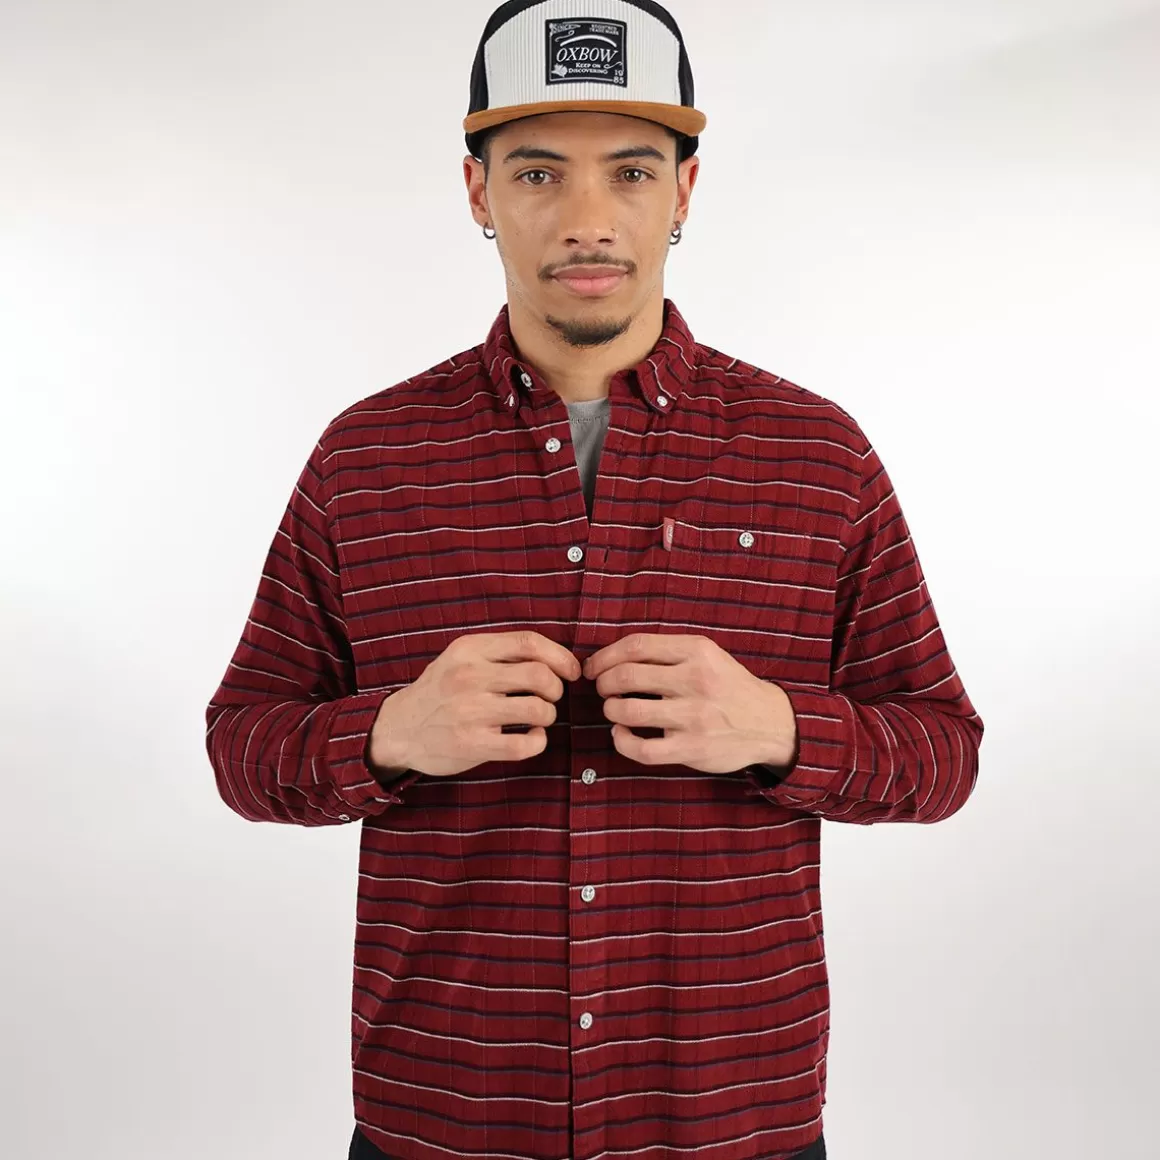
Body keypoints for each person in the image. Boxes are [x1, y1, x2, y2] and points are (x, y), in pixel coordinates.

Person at [204, 1, 985, 1157]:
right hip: (444, 1114)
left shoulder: (816, 454)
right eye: (536, 172)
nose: (585, 220)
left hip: (731, 1119)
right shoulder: (364, 459)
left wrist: (778, 727)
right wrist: (389, 733)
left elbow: (941, 751)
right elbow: (242, 743)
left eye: (629, 170)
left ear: (683, 190)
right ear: (477, 192)